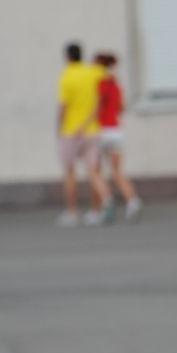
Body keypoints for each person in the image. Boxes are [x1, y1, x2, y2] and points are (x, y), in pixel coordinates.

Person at [55, 43, 107, 227]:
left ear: (67, 57)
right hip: (92, 129)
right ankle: (97, 210)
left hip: (70, 130)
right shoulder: (93, 72)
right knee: (94, 171)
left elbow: (63, 107)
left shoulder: (66, 77)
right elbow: (107, 79)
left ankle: (72, 211)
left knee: (70, 172)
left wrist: (59, 129)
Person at [92, 53, 141, 223]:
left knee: (96, 172)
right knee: (117, 172)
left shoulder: (101, 83)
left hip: (101, 131)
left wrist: (89, 121)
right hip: (117, 130)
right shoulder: (117, 84)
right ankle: (132, 201)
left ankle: (105, 203)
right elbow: (121, 107)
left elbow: (98, 105)